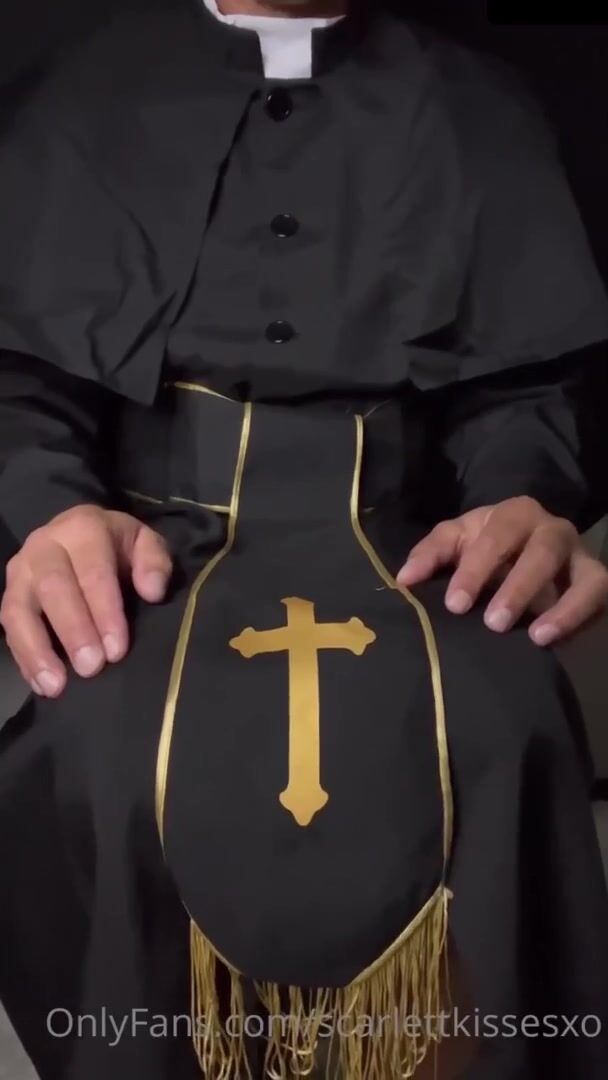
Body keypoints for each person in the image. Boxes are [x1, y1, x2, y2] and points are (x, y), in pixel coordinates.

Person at [0, 1, 607, 1077]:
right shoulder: (75, 94)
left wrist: (522, 495)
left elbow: (517, 390)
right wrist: (48, 510)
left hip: (408, 540)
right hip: (150, 543)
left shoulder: (477, 105)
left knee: (506, 721)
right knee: (100, 739)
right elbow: (26, 383)